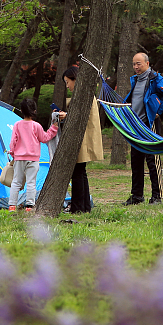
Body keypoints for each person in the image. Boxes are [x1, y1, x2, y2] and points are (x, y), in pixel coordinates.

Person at [123, 52, 163, 205]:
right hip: (135, 127)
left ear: (147, 63)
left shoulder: (156, 79)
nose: (135, 67)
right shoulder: (135, 80)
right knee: (136, 161)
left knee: (152, 161)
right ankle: (137, 196)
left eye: (138, 63)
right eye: (134, 64)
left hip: (149, 125)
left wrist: (158, 111)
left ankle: (157, 197)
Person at [56, 65, 104, 214]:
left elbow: (79, 117)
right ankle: (84, 207)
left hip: (82, 139)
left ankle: (77, 208)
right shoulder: (87, 92)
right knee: (81, 173)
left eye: (67, 82)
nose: (67, 85)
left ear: (74, 79)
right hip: (85, 138)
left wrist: (66, 116)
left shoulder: (83, 94)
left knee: (77, 173)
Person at [8, 97, 58, 211]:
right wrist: (53, 128)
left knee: (16, 181)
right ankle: (29, 206)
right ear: (34, 111)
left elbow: (13, 142)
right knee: (31, 182)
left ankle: (12, 205)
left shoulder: (17, 125)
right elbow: (45, 138)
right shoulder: (37, 126)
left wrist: (13, 153)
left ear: (21, 110)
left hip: (19, 158)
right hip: (34, 159)